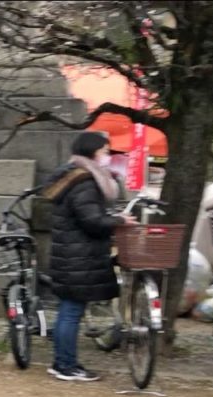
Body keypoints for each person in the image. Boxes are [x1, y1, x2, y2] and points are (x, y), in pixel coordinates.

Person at [46, 131, 136, 382]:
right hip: (79, 256)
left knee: (69, 310)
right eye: (105, 151)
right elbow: (91, 220)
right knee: (71, 311)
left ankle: (62, 363)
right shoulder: (85, 181)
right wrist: (119, 220)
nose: (107, 156)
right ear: (92, 152)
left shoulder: (72, 175)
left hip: (71, 254)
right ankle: (65, 365)